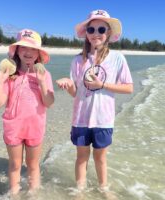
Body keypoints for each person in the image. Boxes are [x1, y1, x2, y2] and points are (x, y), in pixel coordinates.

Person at [56, 10, 133, 191]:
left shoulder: (117, 58)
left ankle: (103, 190)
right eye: (91, 29)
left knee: (100, 158)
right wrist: (68, 84)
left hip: (103, 120)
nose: (96, 33)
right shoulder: (77, 60)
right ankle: (80, 191)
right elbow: (76, 93)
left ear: (108, 34)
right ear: (86, 34)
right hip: (81, 119)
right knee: (81, 158)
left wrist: (102, 84)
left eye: (101, 29)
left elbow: (129, 87)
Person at [0, 29, 54, 195]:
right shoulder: (9, 75)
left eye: (33, 49)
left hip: (35, 127)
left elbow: (49, 102)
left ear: (38, 53)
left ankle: (34, 195)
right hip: (13, 128)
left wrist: (41, 83)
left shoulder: (44, 74)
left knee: (33, 165)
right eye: (24, 48)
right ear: (17, 50)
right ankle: (14, 194)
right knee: (15, 165)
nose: (28, 52)